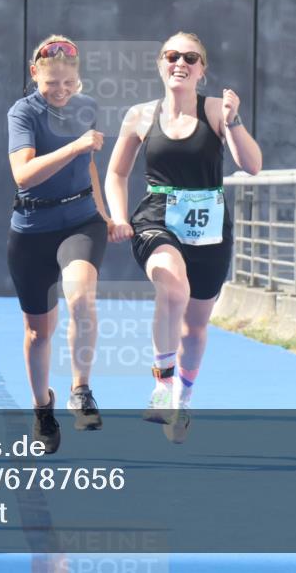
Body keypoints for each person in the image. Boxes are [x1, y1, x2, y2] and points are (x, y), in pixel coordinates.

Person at [105, 32, 262, 442]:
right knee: (172, 286)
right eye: (172, 56)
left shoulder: (215, 110)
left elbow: (252, 165)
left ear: (201, 69)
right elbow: (117, 173)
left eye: (190, 58)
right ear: (160, 63)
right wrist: (119, 217)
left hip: (209, 226)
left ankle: (183, 400)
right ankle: (162, 384)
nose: (181, 63)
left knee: (194, 327)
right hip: (156, 217)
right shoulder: (140, 115)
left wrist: (234, 121)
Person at [8, 35, 111, 453]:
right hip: (32, 229)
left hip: (81, 222)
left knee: (81, 298)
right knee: (38, 333)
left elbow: (89, 166)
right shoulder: (23, 112)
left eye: (69, 83)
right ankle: (42, 408)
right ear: (35, 74)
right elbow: (23, 174)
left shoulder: (86, 108)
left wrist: (105, 214)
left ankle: (80, 389)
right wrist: (75, 145)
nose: (62, 91)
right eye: (53, 83)